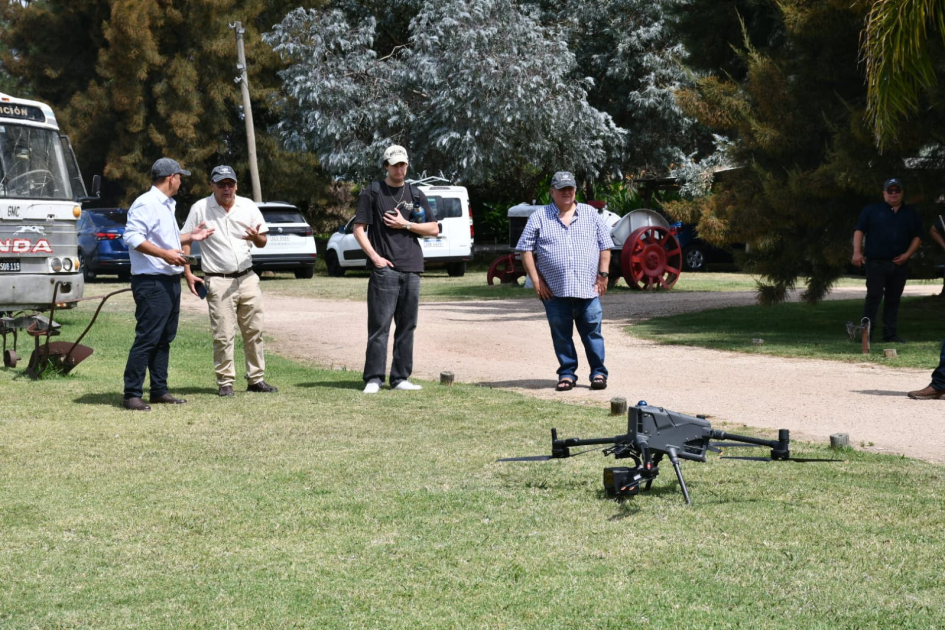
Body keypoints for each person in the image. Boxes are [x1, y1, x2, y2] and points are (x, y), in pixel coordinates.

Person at [121, 158, 214, 411]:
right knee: (148, 337)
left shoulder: (166, 205)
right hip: (151, 281)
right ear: (171, 177)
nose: (181, 181)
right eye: (180, 176)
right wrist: (165, 254)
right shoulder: (146, 203)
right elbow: (131, 236)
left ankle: (159, 390)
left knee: (164, 338)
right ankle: (131, 394)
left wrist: (190, 237)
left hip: (168, 280)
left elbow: (163, 237)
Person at [182, 165, 278, 397]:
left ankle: (256, 379)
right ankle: (225, 382)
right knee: (223, 334)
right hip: (217, 280)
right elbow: (185, 239)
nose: (227, 188)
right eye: (221, 184)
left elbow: (263, 241)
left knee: (254, 330)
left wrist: (256, 237)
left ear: (236, 185)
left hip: (247, 277)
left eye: (230, 183)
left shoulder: (248, 206)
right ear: (211, 185)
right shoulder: (200, 208)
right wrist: (187, 271)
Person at [516, 171, 614, 392]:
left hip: (587, 290)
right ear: (552, 192)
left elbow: (605, 245)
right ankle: (567, 374)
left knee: (593, 334)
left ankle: (598, 373)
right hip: (554, 291)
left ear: (575, 190)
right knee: (561, 335)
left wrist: (603, 274)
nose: (567, 192)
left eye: (570, 188)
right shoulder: (540, 217)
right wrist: (536, 280)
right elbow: (525, 249)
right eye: (561, 189)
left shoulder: (590, 214)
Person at [353, 145, 438, 394]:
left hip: (412, 267)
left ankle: (400, 378)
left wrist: (406, 225)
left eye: (403, 164)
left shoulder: (416, 194)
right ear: (386, 166)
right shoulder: (373, 192)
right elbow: (359, 229)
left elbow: (433, 228)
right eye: (395, 165)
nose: (400, 169)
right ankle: (374, 379)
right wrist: (375, 258)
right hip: (385, 269)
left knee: (407, 326)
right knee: (380, 326)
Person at [851, 178, 922, 343]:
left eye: (897, 190)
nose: (893, 194)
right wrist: (857, 252)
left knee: (893, 299)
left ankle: (890, 335)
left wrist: (907, 255)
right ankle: (866, 334)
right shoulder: (871, 210)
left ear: (902, 193)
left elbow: (918, 236)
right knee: (873, 296)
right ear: (884, 193)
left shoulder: (910, 213)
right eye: (890, 191)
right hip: (876, 262)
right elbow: (859, 231)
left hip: (899, 263)